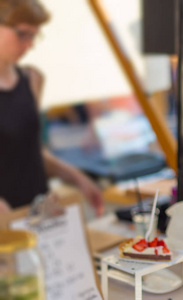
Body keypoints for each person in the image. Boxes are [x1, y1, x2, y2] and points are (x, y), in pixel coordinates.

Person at [0, 0, 104, 216]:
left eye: (34, 36)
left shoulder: (32, 79)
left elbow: (32, 152)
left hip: (39, 213)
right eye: (22, 34)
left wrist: (78, 178)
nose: (29, 44)